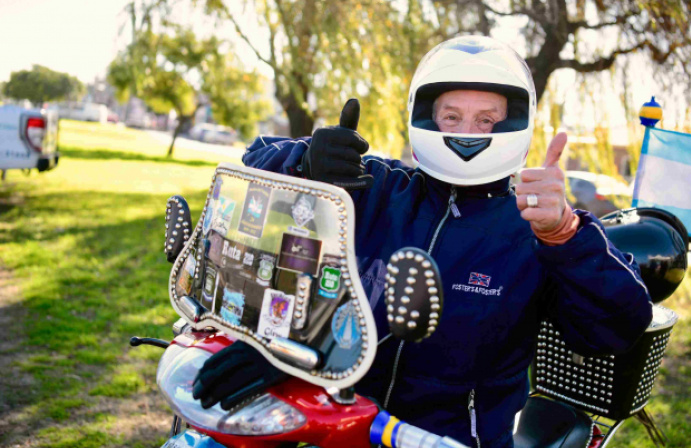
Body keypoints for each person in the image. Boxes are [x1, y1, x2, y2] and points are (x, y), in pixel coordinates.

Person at [195, 35, 652, 447]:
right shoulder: (371, 187)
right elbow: (254, 162)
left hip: (452, 440)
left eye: (486, 120)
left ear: (514, 126)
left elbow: (616, 328)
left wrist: (565, 235)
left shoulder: (534, 228)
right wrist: (305, 165)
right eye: (451, 116)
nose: (466, 133)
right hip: (339, 422)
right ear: (424, 118)